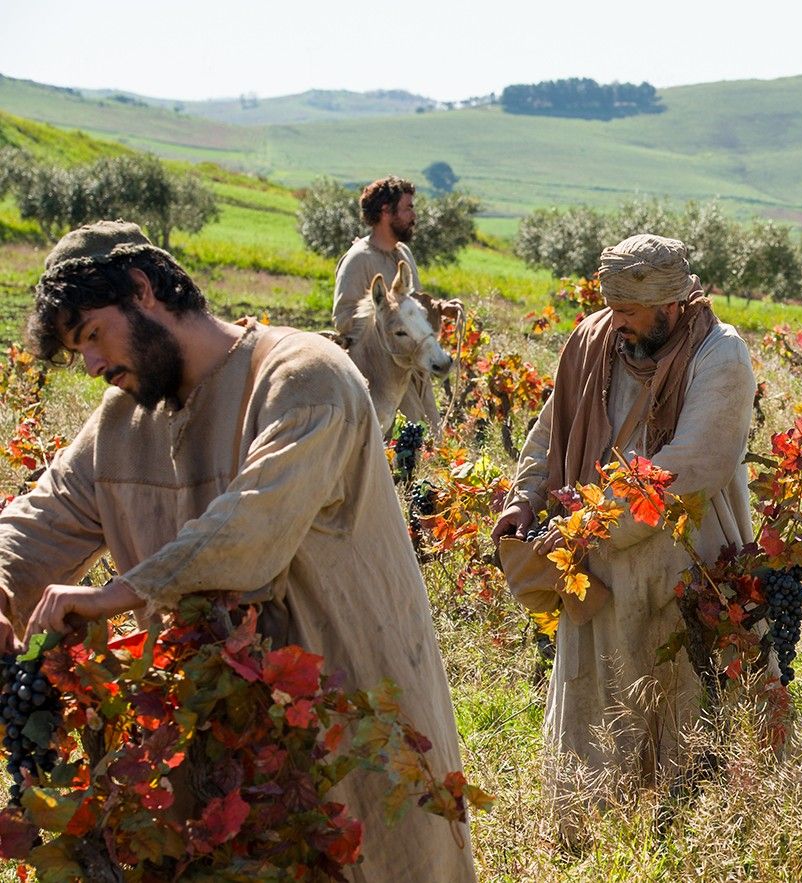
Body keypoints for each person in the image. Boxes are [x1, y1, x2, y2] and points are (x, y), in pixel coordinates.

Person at [0, 221, 475, 881]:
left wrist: (116, 593)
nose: (90, 363)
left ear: (143, 291)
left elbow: (252, 523)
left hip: (345, 736)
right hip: (205, 753)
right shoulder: (119, 423)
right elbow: (37, 521)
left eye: (91, 335)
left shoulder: (303, 375)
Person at [492, 234, 756, 786]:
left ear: (670, 305)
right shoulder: (596, 341)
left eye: (630, 311)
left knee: (686, 705)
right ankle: (594, 825)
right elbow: (549, 433)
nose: (617, 322)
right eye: (611, 308)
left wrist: (591, 521)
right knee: (598, 713)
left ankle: (688, 823)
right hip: (597, 570)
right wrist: (526, 499)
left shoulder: (721, 356)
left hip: (683, 562)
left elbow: (691, 465)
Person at [332, 176, 460, 429]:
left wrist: (439, 308)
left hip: (414, 371)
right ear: (385, 211)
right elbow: (343, 318)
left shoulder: (403, 253)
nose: (414, 215)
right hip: (378, 380)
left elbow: (412, 307)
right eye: (408, 208)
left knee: (431, 444)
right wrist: (386, 322)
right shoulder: (359, 260)